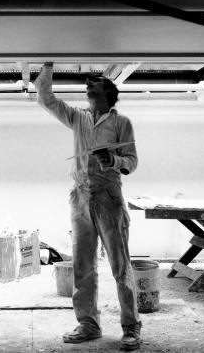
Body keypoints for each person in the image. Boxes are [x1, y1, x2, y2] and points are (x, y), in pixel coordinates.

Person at [35, 62, 142, 351]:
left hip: (109, 197)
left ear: (108, 91)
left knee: (120, 266)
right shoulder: (78, 118)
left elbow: (131, 161)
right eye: (87, 86)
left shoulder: (121, 123)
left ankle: (131, 327)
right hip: (80, 198)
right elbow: (45, 98)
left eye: (94, 84)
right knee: (82, 265)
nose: (88, 87)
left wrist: (115, 162)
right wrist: (47, 66)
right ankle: (88, 324)